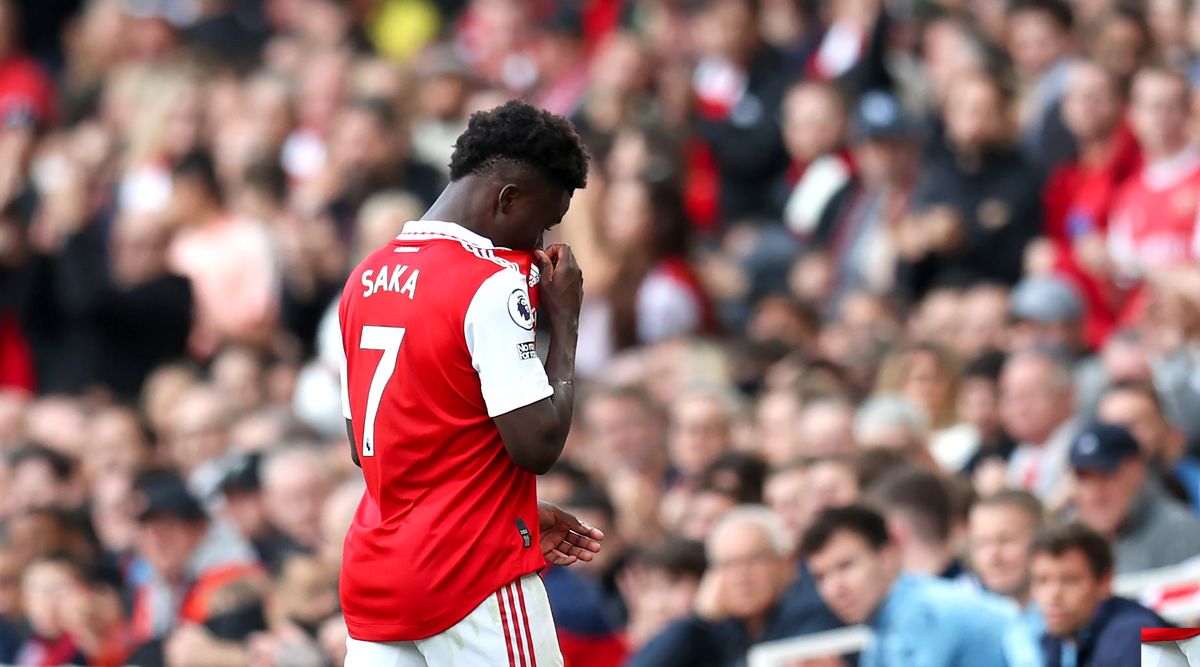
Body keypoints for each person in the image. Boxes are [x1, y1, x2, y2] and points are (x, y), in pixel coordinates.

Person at [337, 100, 603, 666]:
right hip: (470, 576)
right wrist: (566, 323)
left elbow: (369, 447)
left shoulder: (365, 277)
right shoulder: (491, 284)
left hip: (378, 578)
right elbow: (537, 447)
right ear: (506, 198)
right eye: (544, 219)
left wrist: (515, 513)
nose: (541, 239)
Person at [800, 504, 1040, 667]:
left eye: (845, 566)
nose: (835, 588)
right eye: (821, 577)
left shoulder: (924, 612)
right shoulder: (883, 626)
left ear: (888, 556)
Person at [630, 505, 841, 667]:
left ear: (786, 563)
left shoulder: (813, 612)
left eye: (753, 560)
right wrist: (698, 619)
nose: (741, 576)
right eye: (727, 565)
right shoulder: (721, 627)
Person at [1066, 421, 1200, 573]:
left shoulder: (1179, 532)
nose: (1095, 491)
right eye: (1083, 477)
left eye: (1106, 474)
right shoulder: (1067, 534)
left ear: (1138, 469)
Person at [1031, 521, 1166, 667]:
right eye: (1042, 581)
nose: (1053, 595)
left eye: (1069, 580)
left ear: (1104, 582)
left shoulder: (1132, 637)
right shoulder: (1055, 640)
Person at [967, 490, 1046, 635]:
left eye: (1006, 540)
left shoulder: (1069, 619)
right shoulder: (962, 614)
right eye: (982, 543)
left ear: (1041, 541)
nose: (993, 556)